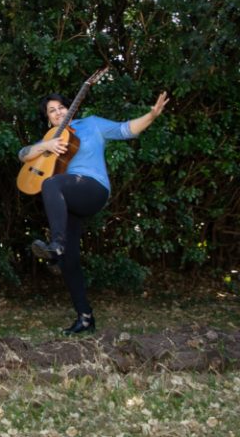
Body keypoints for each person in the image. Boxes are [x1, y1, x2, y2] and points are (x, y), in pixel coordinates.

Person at [19, 90, 169, 335]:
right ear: (48, 119)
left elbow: (125, 129)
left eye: (61, 108)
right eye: (52, 111)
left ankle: (56, 245)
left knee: (51, 183)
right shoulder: (49, 138)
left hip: (93, 189)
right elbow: (23, 155)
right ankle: (85, 317)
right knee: (70, 260)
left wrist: (151, 115)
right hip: (68, 199)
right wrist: (45, 145)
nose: (58, 113)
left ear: (70, 109)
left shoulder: (91, 125)